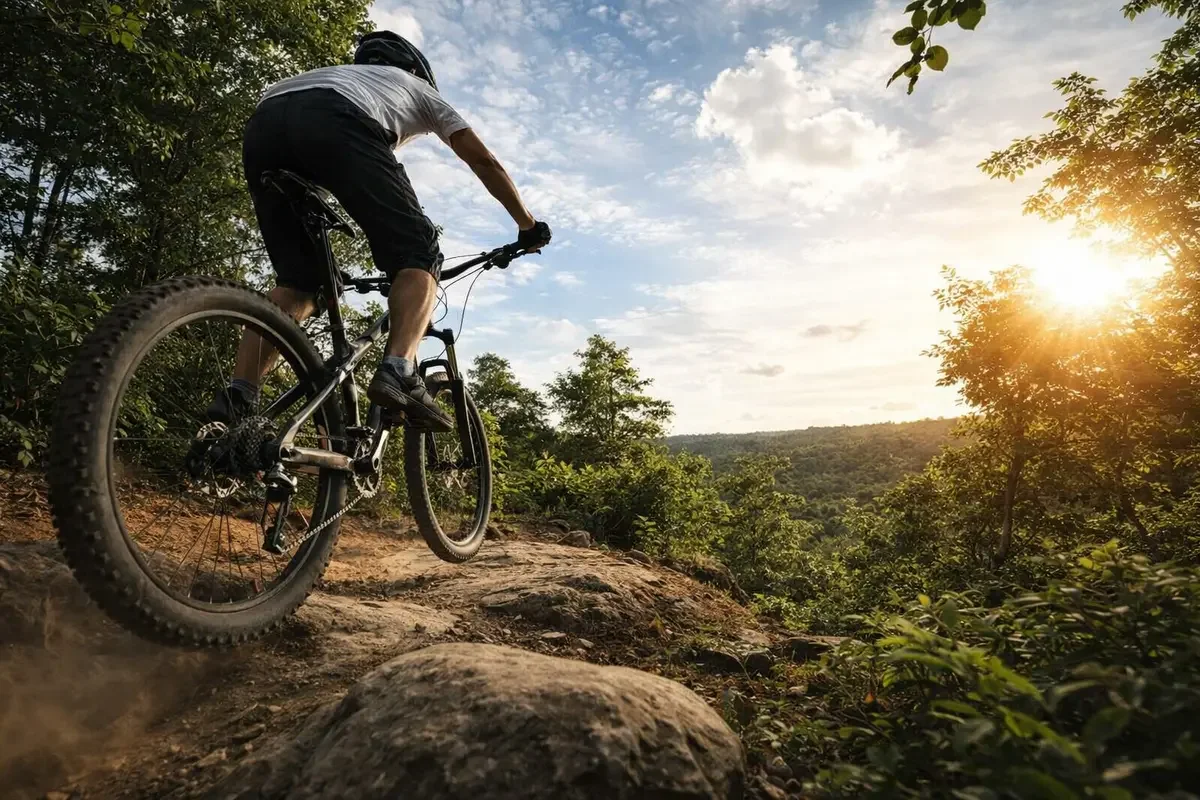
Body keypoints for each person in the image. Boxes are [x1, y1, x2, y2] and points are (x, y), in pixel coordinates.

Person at [210, 30, 550, 432]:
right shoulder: (419, 88)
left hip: (264, 124)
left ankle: (240, 395)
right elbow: (484, 161)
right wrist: (527, 226)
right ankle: (399, 371)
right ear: (415, 69)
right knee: (418, 255)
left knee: (301, 284)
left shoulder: (338, 74)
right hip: (338, 118)